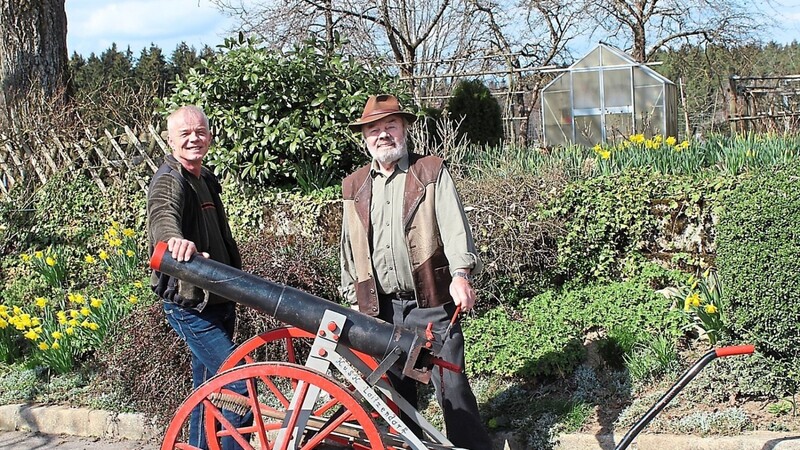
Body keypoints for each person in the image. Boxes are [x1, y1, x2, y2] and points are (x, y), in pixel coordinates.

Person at [339, 94, 493, 450]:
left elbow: (455, 229)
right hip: (382, 310)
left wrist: (460, 274)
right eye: (373, 129)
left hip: (431, 303)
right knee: (396, 397)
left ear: (404, 129)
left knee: (451, 387)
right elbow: (349, 250)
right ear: (365, 137)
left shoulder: (430, 171)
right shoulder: (354, 185)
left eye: (390, 126)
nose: (383, 135)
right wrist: (353, 299)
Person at [147, 105, 251, 450]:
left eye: (200, 131)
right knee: (239, 385)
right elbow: (163, 213)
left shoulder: (205, 179)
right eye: (185, 134)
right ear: (170, 140)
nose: (194, 139)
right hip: (192, 306)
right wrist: (172, 238)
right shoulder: (169, 178)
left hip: (218, 300)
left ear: (209, 135)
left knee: (207, 389)